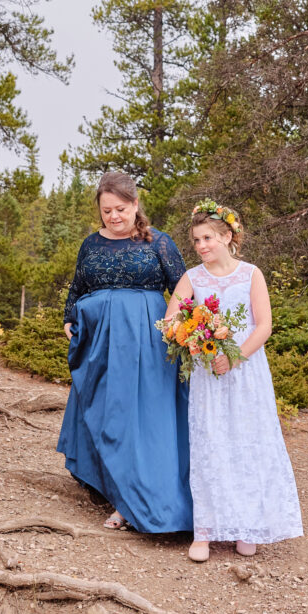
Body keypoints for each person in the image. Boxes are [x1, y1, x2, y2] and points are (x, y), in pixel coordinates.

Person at [166, 199, 303, 562]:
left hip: (247, 373)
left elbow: (264, 326)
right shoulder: (192, 278)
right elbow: (171, 323)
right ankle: (205, 531)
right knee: (210, 444)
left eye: (208, 238)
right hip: (208, 375)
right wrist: (198, 344)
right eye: (196, 241)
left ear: (228, 236)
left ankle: (247, 526)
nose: (201, 246)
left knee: (247, 443)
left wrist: (235, 356)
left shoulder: (251, 274)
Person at [57, 171, 192, 533]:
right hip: (101, 345)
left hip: (149, 346)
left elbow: (185, 288)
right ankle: (114, 489)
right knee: (109, 416)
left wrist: (180, 330)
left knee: (143, 421)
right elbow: (78, 286)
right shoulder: (90, 244)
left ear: (135, 205)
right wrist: (70, 317)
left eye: (120, 208)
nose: (113, 217)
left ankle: (134, 503)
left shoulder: (160, 243)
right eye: (106, 211)